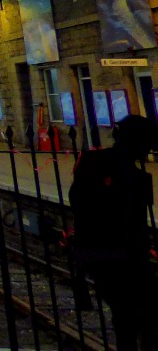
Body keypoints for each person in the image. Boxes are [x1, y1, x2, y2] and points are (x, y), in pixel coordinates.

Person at [69, 114, 158, 351]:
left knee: (126, 314)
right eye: (148, 143)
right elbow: (133, 223)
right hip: (120, 255)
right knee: (141, 312)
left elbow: (76, 201)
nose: (149, 149)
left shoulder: (91, 161)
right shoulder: (130, 175)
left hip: (95, 254)